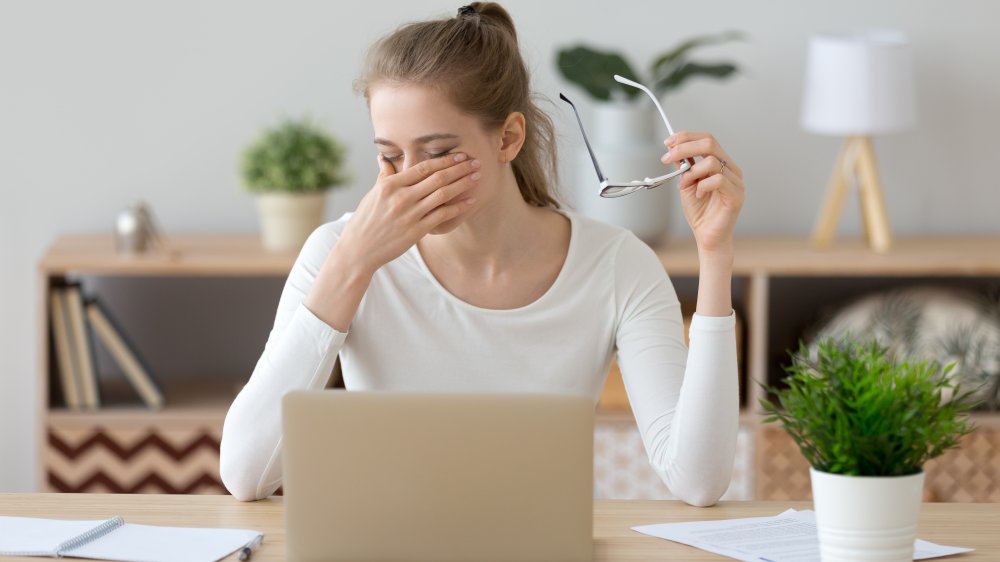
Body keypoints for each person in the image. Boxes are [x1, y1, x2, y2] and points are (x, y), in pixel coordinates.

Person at [220, 2, 745, 506]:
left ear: (508, 138)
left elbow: (697, 481)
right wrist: (353, 263)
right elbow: (246, 475)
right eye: (389, 156)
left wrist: (714, 252)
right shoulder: (338, 253)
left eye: (440, 153)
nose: (411, 178)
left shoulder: (615, 264)